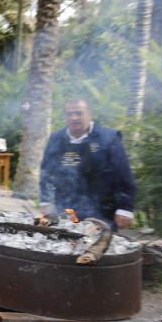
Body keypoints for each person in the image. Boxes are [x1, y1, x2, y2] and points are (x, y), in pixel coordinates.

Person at [40, 98, 136, 230]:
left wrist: (125, 208)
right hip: (65, 209)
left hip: (102, 211)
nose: (74, 118)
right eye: (69, 114)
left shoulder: (109, 138)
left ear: (90, 114)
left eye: (79, 113)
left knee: (98, 247)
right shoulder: (56, 138)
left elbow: (124, 175)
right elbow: (46, 172)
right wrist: (45, 200)